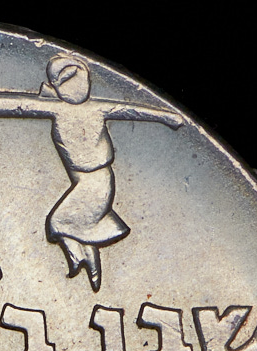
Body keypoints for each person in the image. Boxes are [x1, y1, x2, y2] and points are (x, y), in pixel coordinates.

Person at [37, 54, 183, 291]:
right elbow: (14, 105)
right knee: (76, 226)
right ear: (56, 87)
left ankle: (81, 262)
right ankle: (89, 268)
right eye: (65, 82)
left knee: (60, 221)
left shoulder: (97, 108)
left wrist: (167, 117)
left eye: (79, 78)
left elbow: (131, 111)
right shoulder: (55, 109)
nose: (75, 86)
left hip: (98, 181)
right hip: (82, 181)